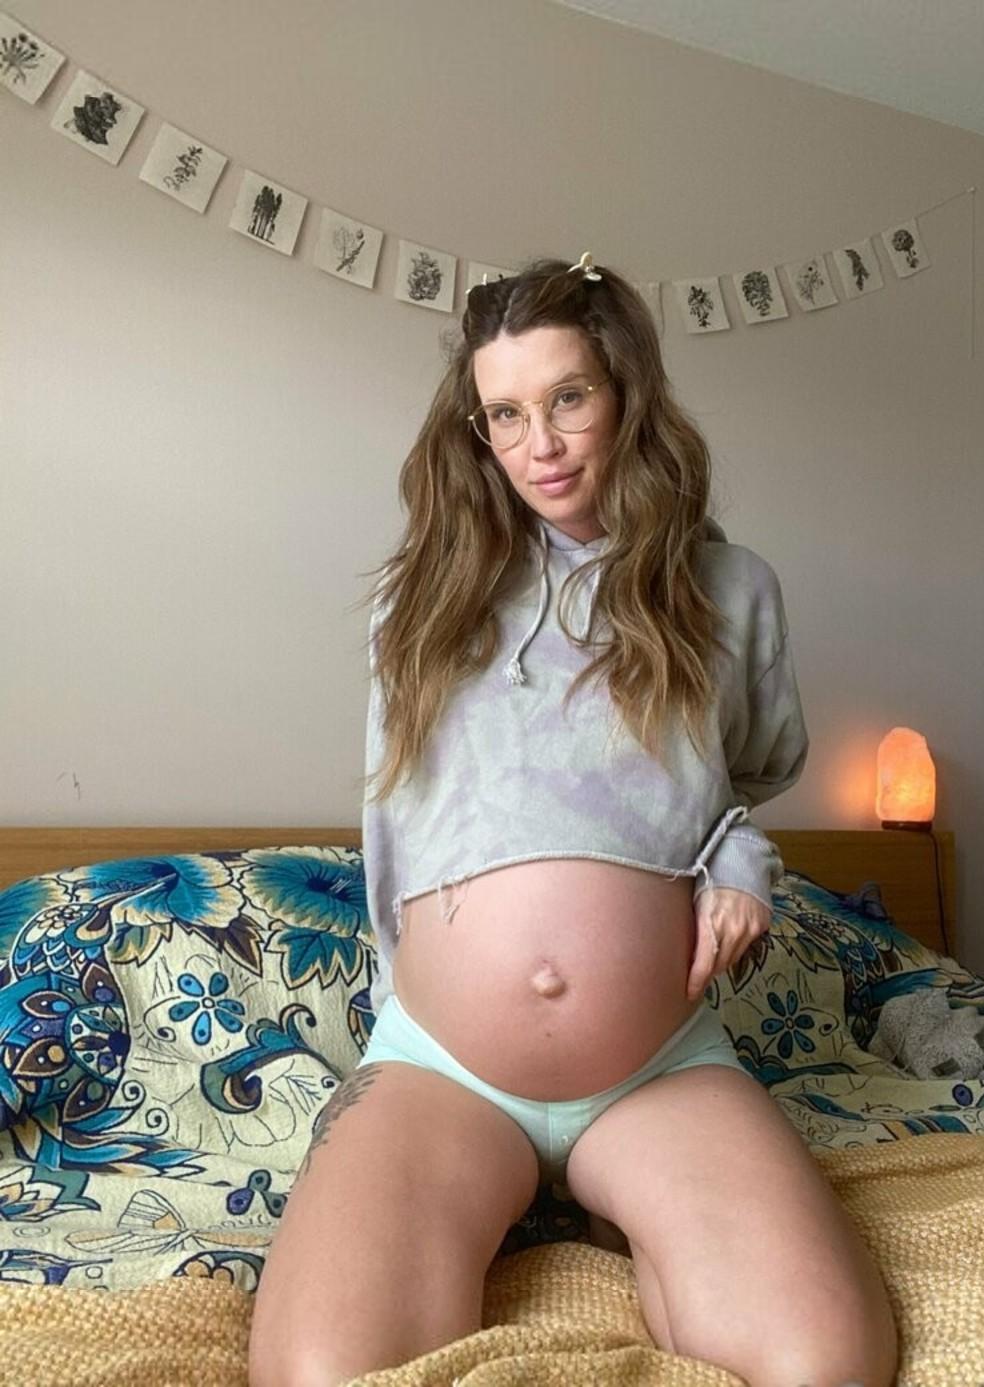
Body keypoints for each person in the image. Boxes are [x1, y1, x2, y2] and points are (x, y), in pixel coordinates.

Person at [248, 253, 899, 1387]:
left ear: (626, 393)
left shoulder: (732, 590)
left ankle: (636, 1209)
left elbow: (739, 785)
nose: (538, 444)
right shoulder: (421, 602)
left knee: (827, 1362)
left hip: (657, 1063)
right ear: (476, 430)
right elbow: (401, 822)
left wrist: (741, 861)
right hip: (445, 1066)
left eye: (568, 397)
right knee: (320, 1376)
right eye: (504, 413)